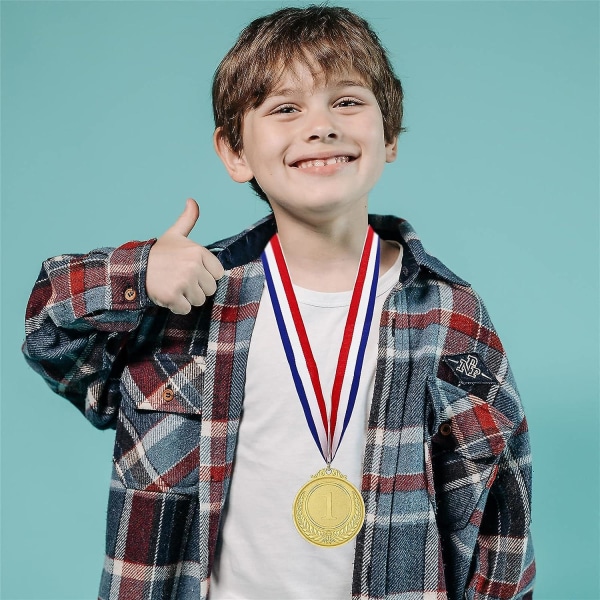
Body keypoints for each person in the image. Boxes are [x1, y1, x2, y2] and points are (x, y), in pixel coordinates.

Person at [22, 5, 535, 600]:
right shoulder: (192, 296)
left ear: (388, 135)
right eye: (285, 108)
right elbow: (47, 332)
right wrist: (139, 274)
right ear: (235, 151)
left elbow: (504, 507)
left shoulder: (449, 315)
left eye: (347, 101)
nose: (320, 126)